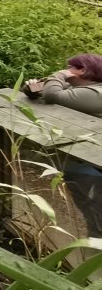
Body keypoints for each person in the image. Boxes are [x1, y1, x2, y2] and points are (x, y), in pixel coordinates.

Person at [23, 53, 102, 237]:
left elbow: (52, 94)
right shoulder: (80, 88)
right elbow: (45, 93)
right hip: (84, 161)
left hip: (93, 163)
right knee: (89, 206)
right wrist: (31, 89)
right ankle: (94, 247)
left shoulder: (97, 93)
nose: (67, 70)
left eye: (71, 67)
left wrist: (59, 74)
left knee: (96, 206)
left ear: (82, 70)